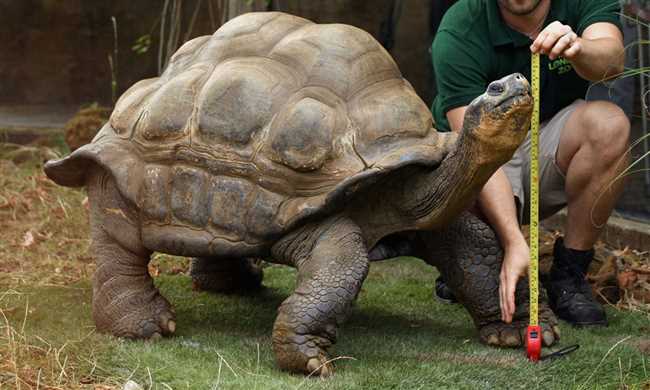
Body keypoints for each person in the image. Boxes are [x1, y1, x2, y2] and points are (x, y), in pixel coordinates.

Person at [431, 0, 629, 326]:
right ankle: (468, 259)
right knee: (458, 178)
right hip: (480, 154)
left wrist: (579, 48)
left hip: (552, 138)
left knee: (610, 125)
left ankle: (570, 274)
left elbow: (613, 60)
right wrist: (513, 239)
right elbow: (477, 148)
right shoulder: (459, 27)